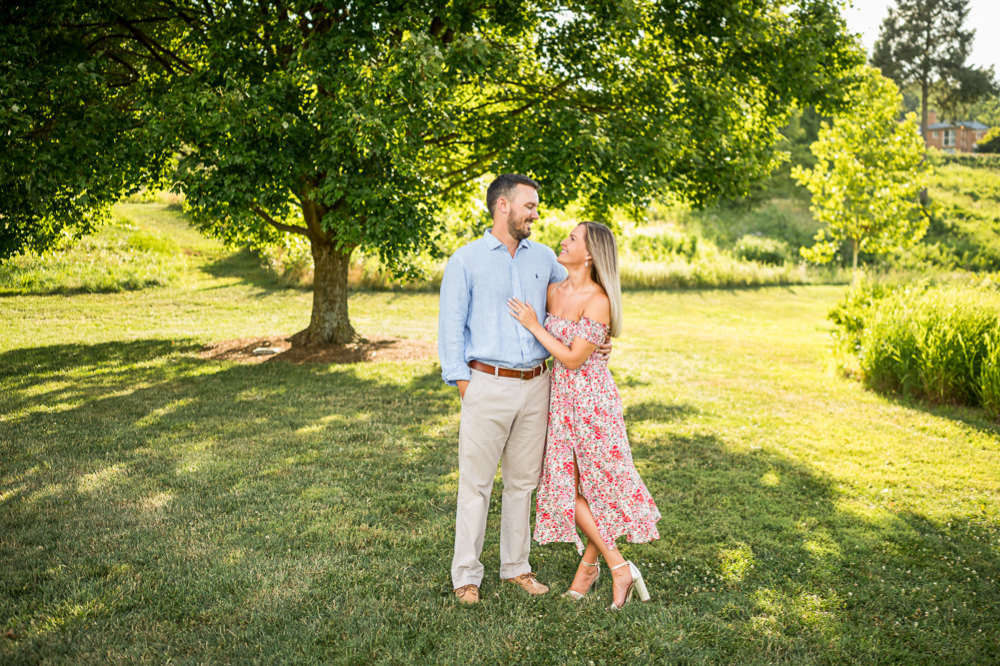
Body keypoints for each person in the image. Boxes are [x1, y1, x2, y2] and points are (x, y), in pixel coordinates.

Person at [438, 174, 610, 605]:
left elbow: (578, 292)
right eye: (529, 206)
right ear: (503, 206)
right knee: (476, 485)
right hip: (486, 384)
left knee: (522, 484)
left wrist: (600, 333)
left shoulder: (546, 257)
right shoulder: (466, 260)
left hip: (539, 386)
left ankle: (516, 567)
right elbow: (449, 329)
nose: (536, 214)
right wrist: (464, 384)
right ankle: (466, 576)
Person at [508, 221, 661, 610]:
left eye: (573, 238)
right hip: (559, 401)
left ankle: (602, 566)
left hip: (593, 403)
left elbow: (575, 358)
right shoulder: (552, 291)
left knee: (597, 487)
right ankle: (606, 566)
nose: (564, 240)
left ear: (590, 253)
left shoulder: (598, 299)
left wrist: (533, 325)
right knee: (563, 484)